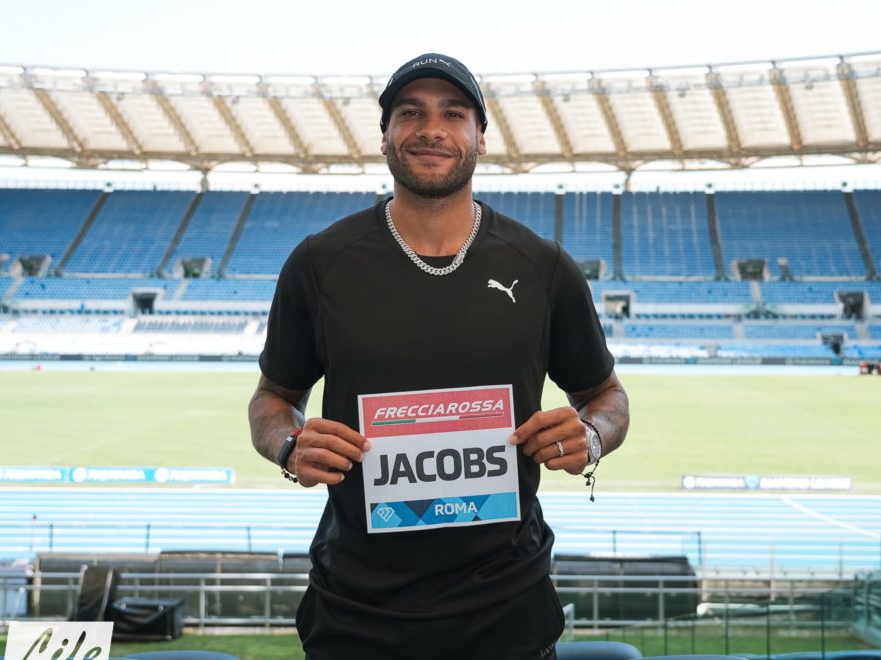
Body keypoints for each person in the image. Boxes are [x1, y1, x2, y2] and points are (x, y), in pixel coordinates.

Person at [249, 53, 630, 660]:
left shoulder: (543, 266)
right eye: (411, 113)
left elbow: (606, 397)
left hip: (508, 609)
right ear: (384, 135)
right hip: (357, 612)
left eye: (453, 114)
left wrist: (591, 434)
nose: (431, 129)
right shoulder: (320, 262)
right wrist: (289, 445)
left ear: (481, 136)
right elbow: (272, 399)